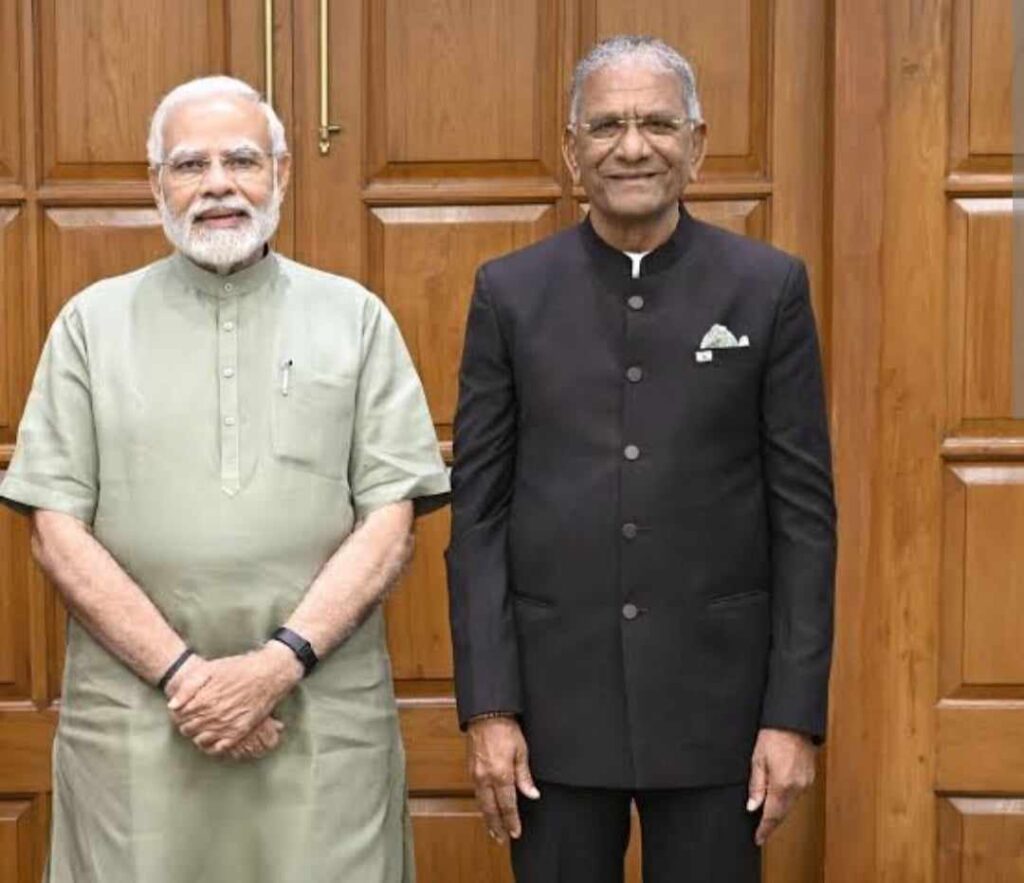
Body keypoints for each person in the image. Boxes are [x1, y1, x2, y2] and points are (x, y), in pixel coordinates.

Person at [0, 76, 449, 883]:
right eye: (189, 164)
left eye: (241, 160)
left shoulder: (355, 318)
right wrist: (187, 678)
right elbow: (56, 531)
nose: (217, 185)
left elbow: (390, 519)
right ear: (156, 186)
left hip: (315, 719)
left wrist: (275, 666)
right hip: (139, 725)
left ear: (282, 173)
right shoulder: (89, 326)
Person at [446, 35, 836, 882]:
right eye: (607, 125)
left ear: (696, 144)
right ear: (571, 150)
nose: (632, 146)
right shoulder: (509, 293)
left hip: (719, 713)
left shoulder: (766, 288)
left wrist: (794, 715)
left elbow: (804, 517)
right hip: (549, 714)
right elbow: (476, 515)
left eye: (658, 123)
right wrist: (488, 706)